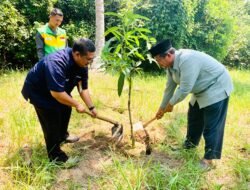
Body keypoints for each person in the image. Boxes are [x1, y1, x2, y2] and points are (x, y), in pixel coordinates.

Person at [149, 39, 233, 169]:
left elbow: (184, 88)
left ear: (168, 55)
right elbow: (169, 88)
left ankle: (209, 159)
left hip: (216, 86)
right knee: (194, 117)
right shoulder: (170, 67)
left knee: (211, 125)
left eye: (159, 60)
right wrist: (161, 107)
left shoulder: (187, 60)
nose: (158, 63)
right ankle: (189, 146)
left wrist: (171, 105)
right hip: (201, 89)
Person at [22, 38, 97, 163]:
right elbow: (56, 93)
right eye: (89, 59)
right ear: (77, 54)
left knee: (66, 108)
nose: (90, 62)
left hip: (59, 90)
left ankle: (62, 136)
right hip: (40, 92)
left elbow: (83, 89)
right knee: (51, 120)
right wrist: (77, 104)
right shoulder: (56, 62)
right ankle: (56, 157)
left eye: (92, 58)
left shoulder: (83, 64)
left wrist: (91, 108)